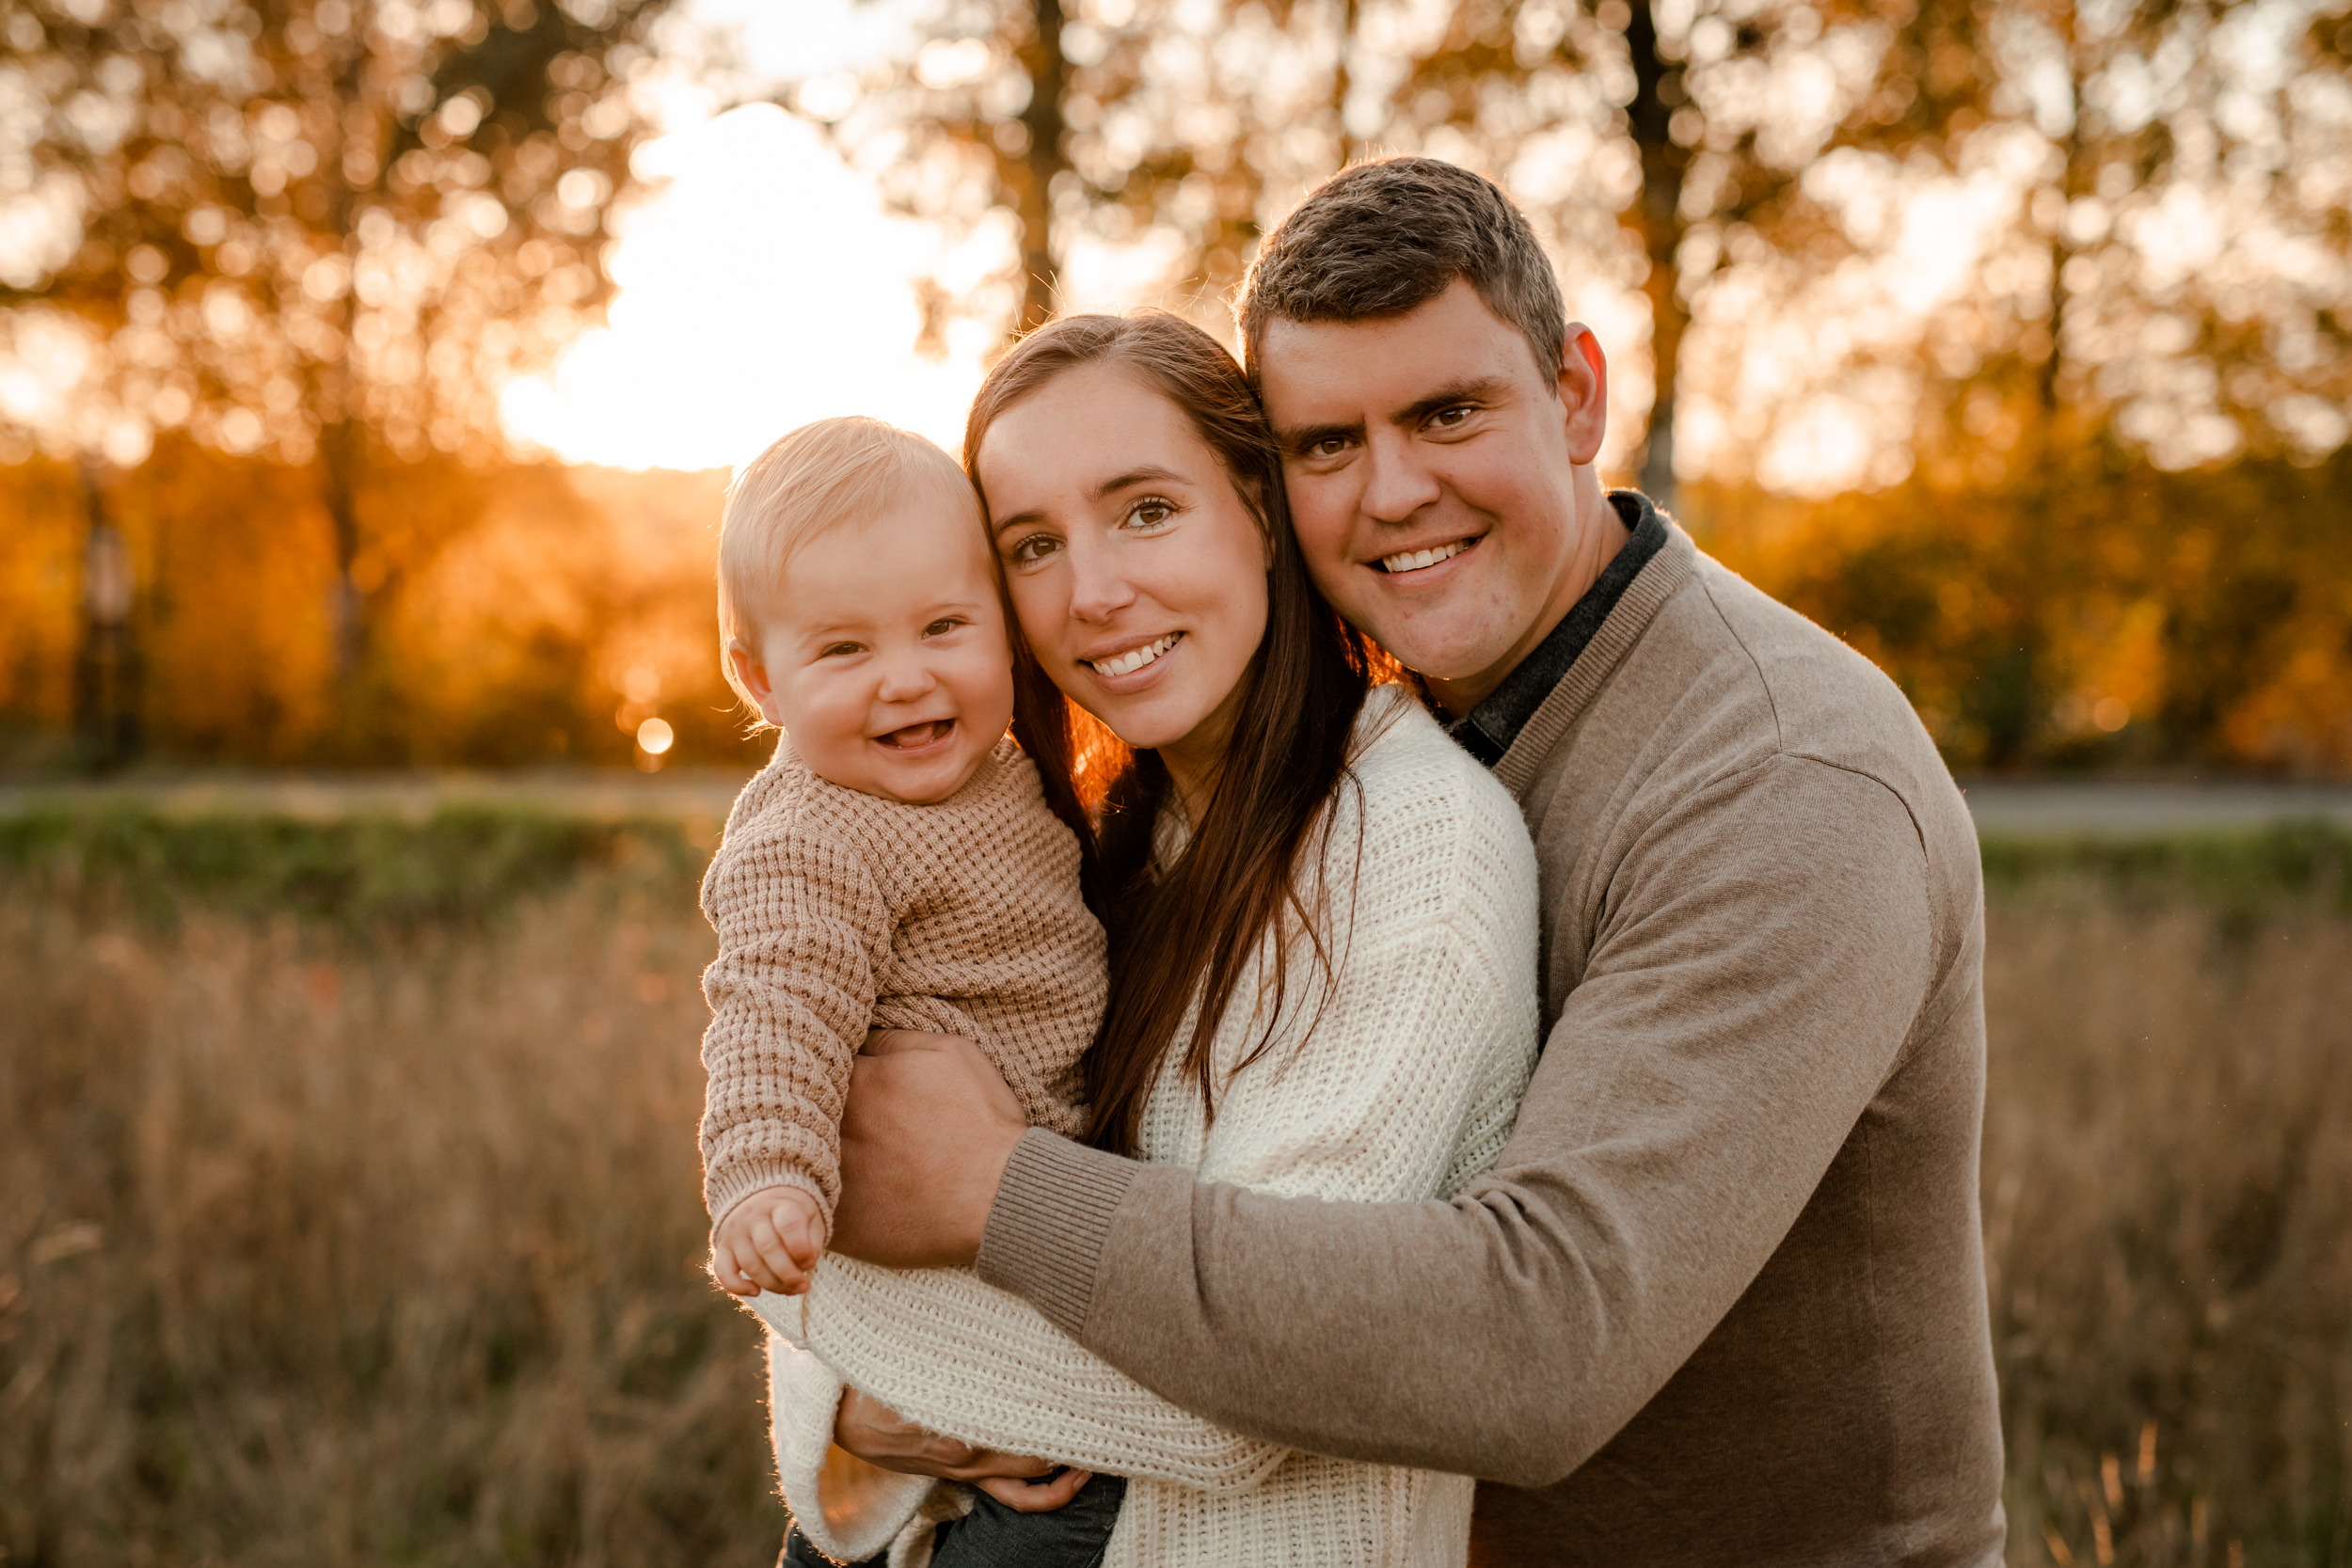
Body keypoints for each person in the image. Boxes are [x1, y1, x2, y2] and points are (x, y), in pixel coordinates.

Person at [821, 158, 2010, 1566]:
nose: (1392, 492)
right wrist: (872, 1389)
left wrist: (997, 1192)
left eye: (1449, 411)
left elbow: (1545, 1336)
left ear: (1577, 394)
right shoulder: (1313, 738)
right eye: (1326, 442)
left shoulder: (1778, 775)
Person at [769, 310, 1543, 1567]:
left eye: (1144, 510)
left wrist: (880, 1369)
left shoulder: (1412, 849)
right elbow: (811, 1186)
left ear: (1258, 505)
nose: (1094, 590)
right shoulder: (1090, 834)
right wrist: (840, 1400)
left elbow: (1259, 1385)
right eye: (1033, 544)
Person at [691, 416, 1118, 1564]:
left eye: (944, 626)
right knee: (1051, 1504)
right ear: (758, 677)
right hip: (945, 1273)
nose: (908, 676)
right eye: (843, 651)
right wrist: (764, 1174)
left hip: (1019, 1205)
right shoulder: (812, 836)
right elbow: (773, 1014)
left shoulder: (996, 763)